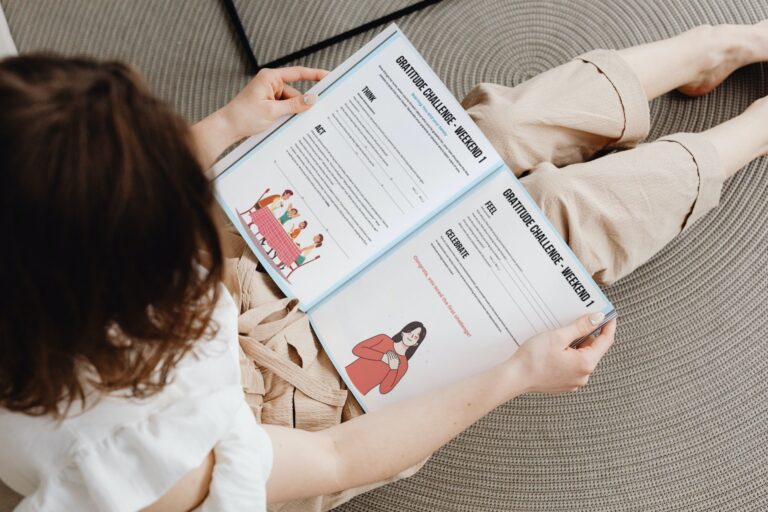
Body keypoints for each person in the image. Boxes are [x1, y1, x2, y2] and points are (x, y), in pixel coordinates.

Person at [1, 20, 768, 511]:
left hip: (195, 311)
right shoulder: (135, 469)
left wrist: (231, 125)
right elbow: (335, 458)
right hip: (284, 412)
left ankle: (710, 47)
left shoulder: (36, 228)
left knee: (465, 145)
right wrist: (515, 376)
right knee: (545, 226)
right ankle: (746, 138)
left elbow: (75, 194)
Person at [346, 321, 427, 395]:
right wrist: (382, 357)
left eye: (415, 337)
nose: (411, 336)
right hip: (345, 373)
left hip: (357, 392)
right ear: (403, 333)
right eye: (410, 332)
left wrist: (393, 369)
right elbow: (356, 350)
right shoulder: (383, 339)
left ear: (416, 343)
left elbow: (384, 390)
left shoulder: (404, 365)